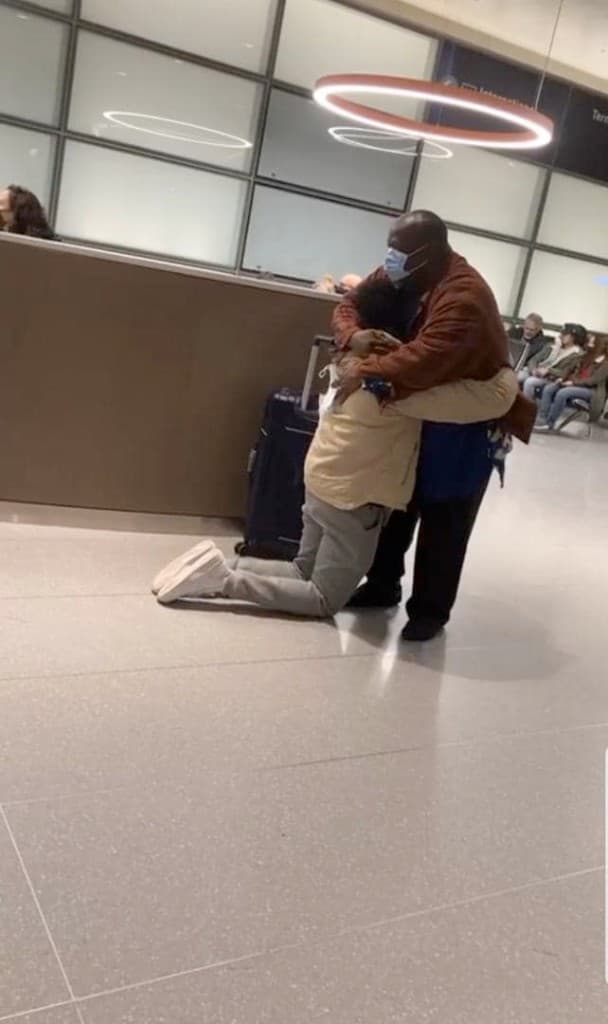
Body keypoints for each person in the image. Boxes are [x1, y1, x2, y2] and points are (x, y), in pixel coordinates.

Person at [153, 364, 520, 618]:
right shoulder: (402, 386)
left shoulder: (355, 363)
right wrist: (505, 372)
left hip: (323, 477)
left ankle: (225, 563)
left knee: (302, 569)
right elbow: (492, 399)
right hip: (356, 496)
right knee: (323, 597)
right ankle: (224, 580)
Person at [332, 210, 535, 641]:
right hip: (424, 409)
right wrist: (352, 338)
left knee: (446, 516)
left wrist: (365, 371)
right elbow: (350, 304)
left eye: (399, 250)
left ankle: (430, 611)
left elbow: (425, 358)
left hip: (466, 421)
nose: (390, 258)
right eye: (390, 247)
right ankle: (383, 584)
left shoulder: (463, 295)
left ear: (428, 252)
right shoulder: (409, 273)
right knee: (398, 499)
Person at [535, 333, 608, 431]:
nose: (588, 345)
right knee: (550, 388)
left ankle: (550, 423)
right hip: (575, 383)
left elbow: (592, 381)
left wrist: (573, 383)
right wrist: (563, 379)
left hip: (591, 391)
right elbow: (570, 370)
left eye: (592, 343)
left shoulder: (605, 364)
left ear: (599, 347)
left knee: (563, 393)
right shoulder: (585, 357)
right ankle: (542, 419)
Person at [523, 324, 586, 415]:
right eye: (561, 333)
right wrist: (533, 370)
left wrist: (548, 371)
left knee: (530, 382)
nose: (561, 336)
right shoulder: (553, 346)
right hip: (537, 371)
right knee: (517, 375)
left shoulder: (577, 354)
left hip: (552, 378)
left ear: (573, 338)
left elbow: (566, 372)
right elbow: (534, 359)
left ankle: (527, 409)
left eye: (565, 334)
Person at [507, 313, 551, 379]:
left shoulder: (541, 344)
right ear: (523, 325)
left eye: (532, 330)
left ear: (539, 329)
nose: (528, 332)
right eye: (526, 328)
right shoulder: (513, 332)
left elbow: (533, 361)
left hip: (523, 368)